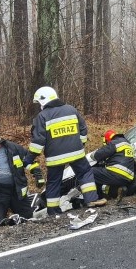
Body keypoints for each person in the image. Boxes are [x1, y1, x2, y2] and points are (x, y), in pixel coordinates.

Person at [26, 87, 101, 215]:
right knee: (85, 174)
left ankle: (53, 211)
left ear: (44, 100)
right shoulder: (71, 109)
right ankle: (92, 200)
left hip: (55, 158)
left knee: (54, 182)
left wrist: (29, 158)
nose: (39, 106)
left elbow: (38, 141)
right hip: (76, 153)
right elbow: (83, 129)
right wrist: (80, 143)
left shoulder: (42, 116)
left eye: (39, 102)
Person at [87, 129, 135, 204]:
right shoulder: (128, 144)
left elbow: (97, 155)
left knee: (90, 172)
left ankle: (95, 198)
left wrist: (92, 155)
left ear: (107, 140)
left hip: (117, 172)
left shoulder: (114, 143)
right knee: (105, 184)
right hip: (128, 177)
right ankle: (119, 190)